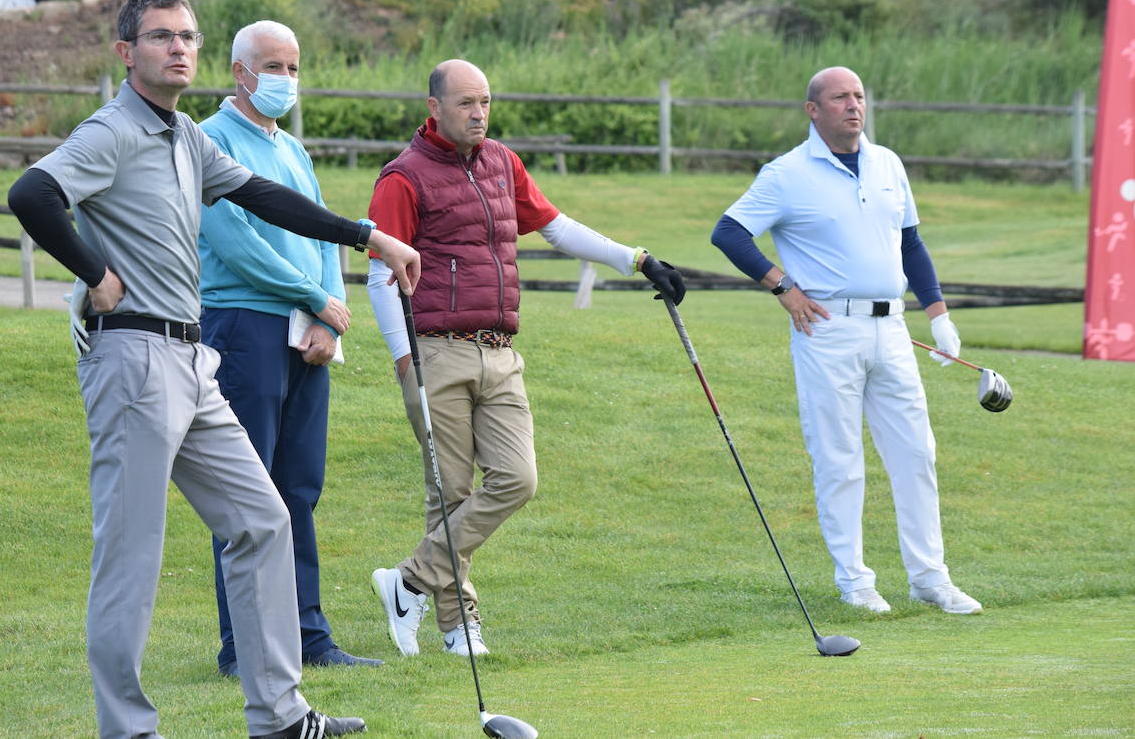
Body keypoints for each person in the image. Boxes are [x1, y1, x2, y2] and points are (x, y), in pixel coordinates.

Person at [7, 0, 420, 739]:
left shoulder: (187, 136)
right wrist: (96, 275)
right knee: (132, 557)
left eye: (188, 36)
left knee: (262, 519)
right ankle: (128, 730)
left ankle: (281, 715)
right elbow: (32, 193)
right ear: (127, 53)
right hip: (132, 358)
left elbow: (264, 197)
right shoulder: (112, 131)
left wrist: (369, 237)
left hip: (193, 358)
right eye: (161, 36)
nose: (179, 48)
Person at [365, 59, 687, 657]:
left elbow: (557, 228)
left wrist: (636, 259)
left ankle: (407, 582)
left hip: (500, 351)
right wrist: (402, 358)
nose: (479, 113)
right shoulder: (403, 178)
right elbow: (381, 273)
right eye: (465, 103)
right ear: (434, 108)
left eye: (485, 101)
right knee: (451, 494)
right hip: (435, 350)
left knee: (518, 479)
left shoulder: (502, 162)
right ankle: (460, 629)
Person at [709, 65, 981, 616]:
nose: (853, 106)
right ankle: (855, 581)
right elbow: (729, 231)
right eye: (840, 98)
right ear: (814, 110)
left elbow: (911, 243)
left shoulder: (887, 164)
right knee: (839, 458)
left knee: (916, 453)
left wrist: (938, 312)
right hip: (828, 331)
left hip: (894, 329)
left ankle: (930, 578)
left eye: (859, 95)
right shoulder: (786, 174)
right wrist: (781, 286)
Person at [198, 20, 382, 677]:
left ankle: (308, 638)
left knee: (298, 489)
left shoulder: (294, 150)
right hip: (242, 327)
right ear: (239, 71)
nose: (285, 79)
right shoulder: (210, 141)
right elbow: (234, 241)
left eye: (294, 67)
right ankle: (242, 647)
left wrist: (330, 315)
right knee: (245, 495)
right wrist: (312, 294)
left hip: (306, 332)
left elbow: (327, 234)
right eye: (273, 66)